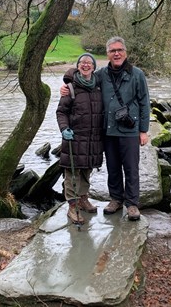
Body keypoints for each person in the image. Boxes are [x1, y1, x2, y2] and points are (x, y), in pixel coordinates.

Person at [61, 37, 150, 221]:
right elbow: (83, 74)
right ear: (108, 54)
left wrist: (143, 130)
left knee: (131, 168)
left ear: (125, 52)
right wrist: (66, 82)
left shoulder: (137, 74)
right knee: (113, 168)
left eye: (119, 50)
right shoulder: (101, 74)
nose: (116, 53)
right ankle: (116, 199)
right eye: (112, 51)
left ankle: (132, 204)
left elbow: (144, 103)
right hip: (108, 131)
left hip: (130, 131)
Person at [56, 53, 103, 225]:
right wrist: (64, 129)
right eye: (82, 62)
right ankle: (72, 207)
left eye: (89, 63)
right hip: (74, 137)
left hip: (93, 138)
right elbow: (61, 112)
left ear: (94, 67)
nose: (85, 65)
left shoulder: (99, 85)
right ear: (77, 66)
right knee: (72, 173)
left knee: (86, 170)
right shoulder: (70, 87)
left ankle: (83, 198)